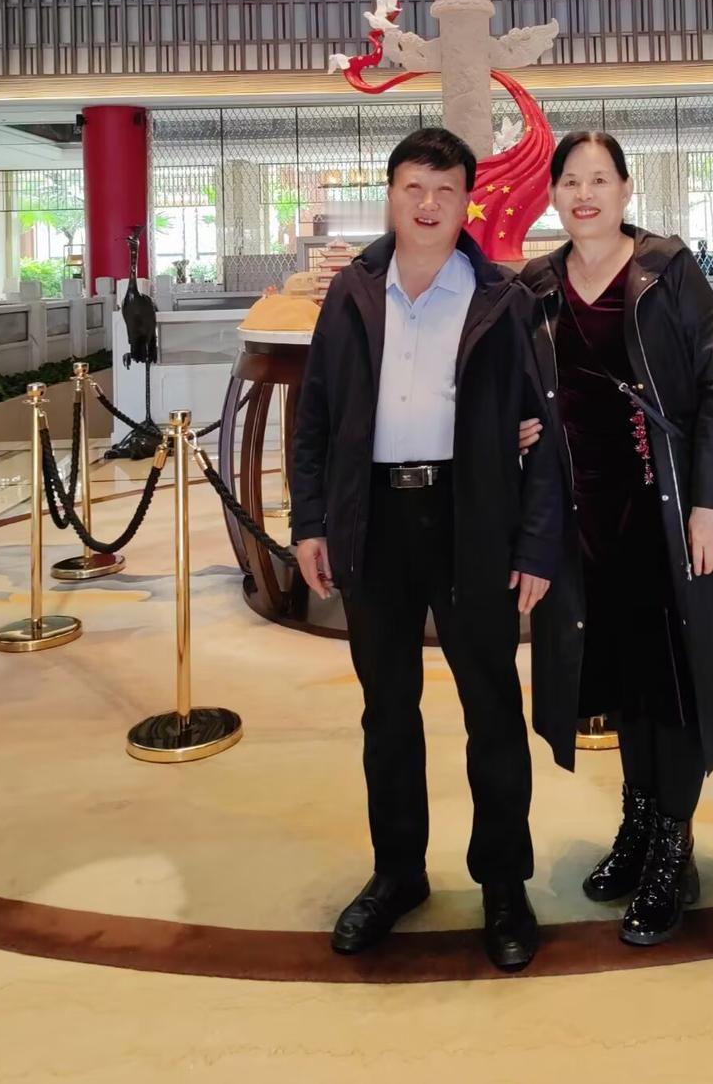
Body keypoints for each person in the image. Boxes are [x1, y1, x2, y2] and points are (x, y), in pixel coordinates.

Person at [291, 127, 563, 971]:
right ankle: (398, 873)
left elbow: (542, 426)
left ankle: (504, 883)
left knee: (492, 708)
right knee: (387, 711)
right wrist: (310, 521)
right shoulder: (352, 292)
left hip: (470, 516)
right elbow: (316, 415)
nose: (428, 204)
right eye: (414, 187)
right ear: (391, 194)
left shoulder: (501, 297)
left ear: (466, 201)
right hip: (374, 520)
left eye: (445, 190)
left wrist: (536, 543)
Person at [520, 131, 713, 947]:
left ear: (626, 190)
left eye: (600, 180)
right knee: (624, 683)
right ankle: (638, 822)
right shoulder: (537, 287)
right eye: (570, 181)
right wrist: (517, 425)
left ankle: (672, 847)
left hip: (665, 514)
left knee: (675, 683)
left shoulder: (667, 271)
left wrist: (710, 503)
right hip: (585, 525)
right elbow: (518, 389)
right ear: (554, 195)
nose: (585, 194)